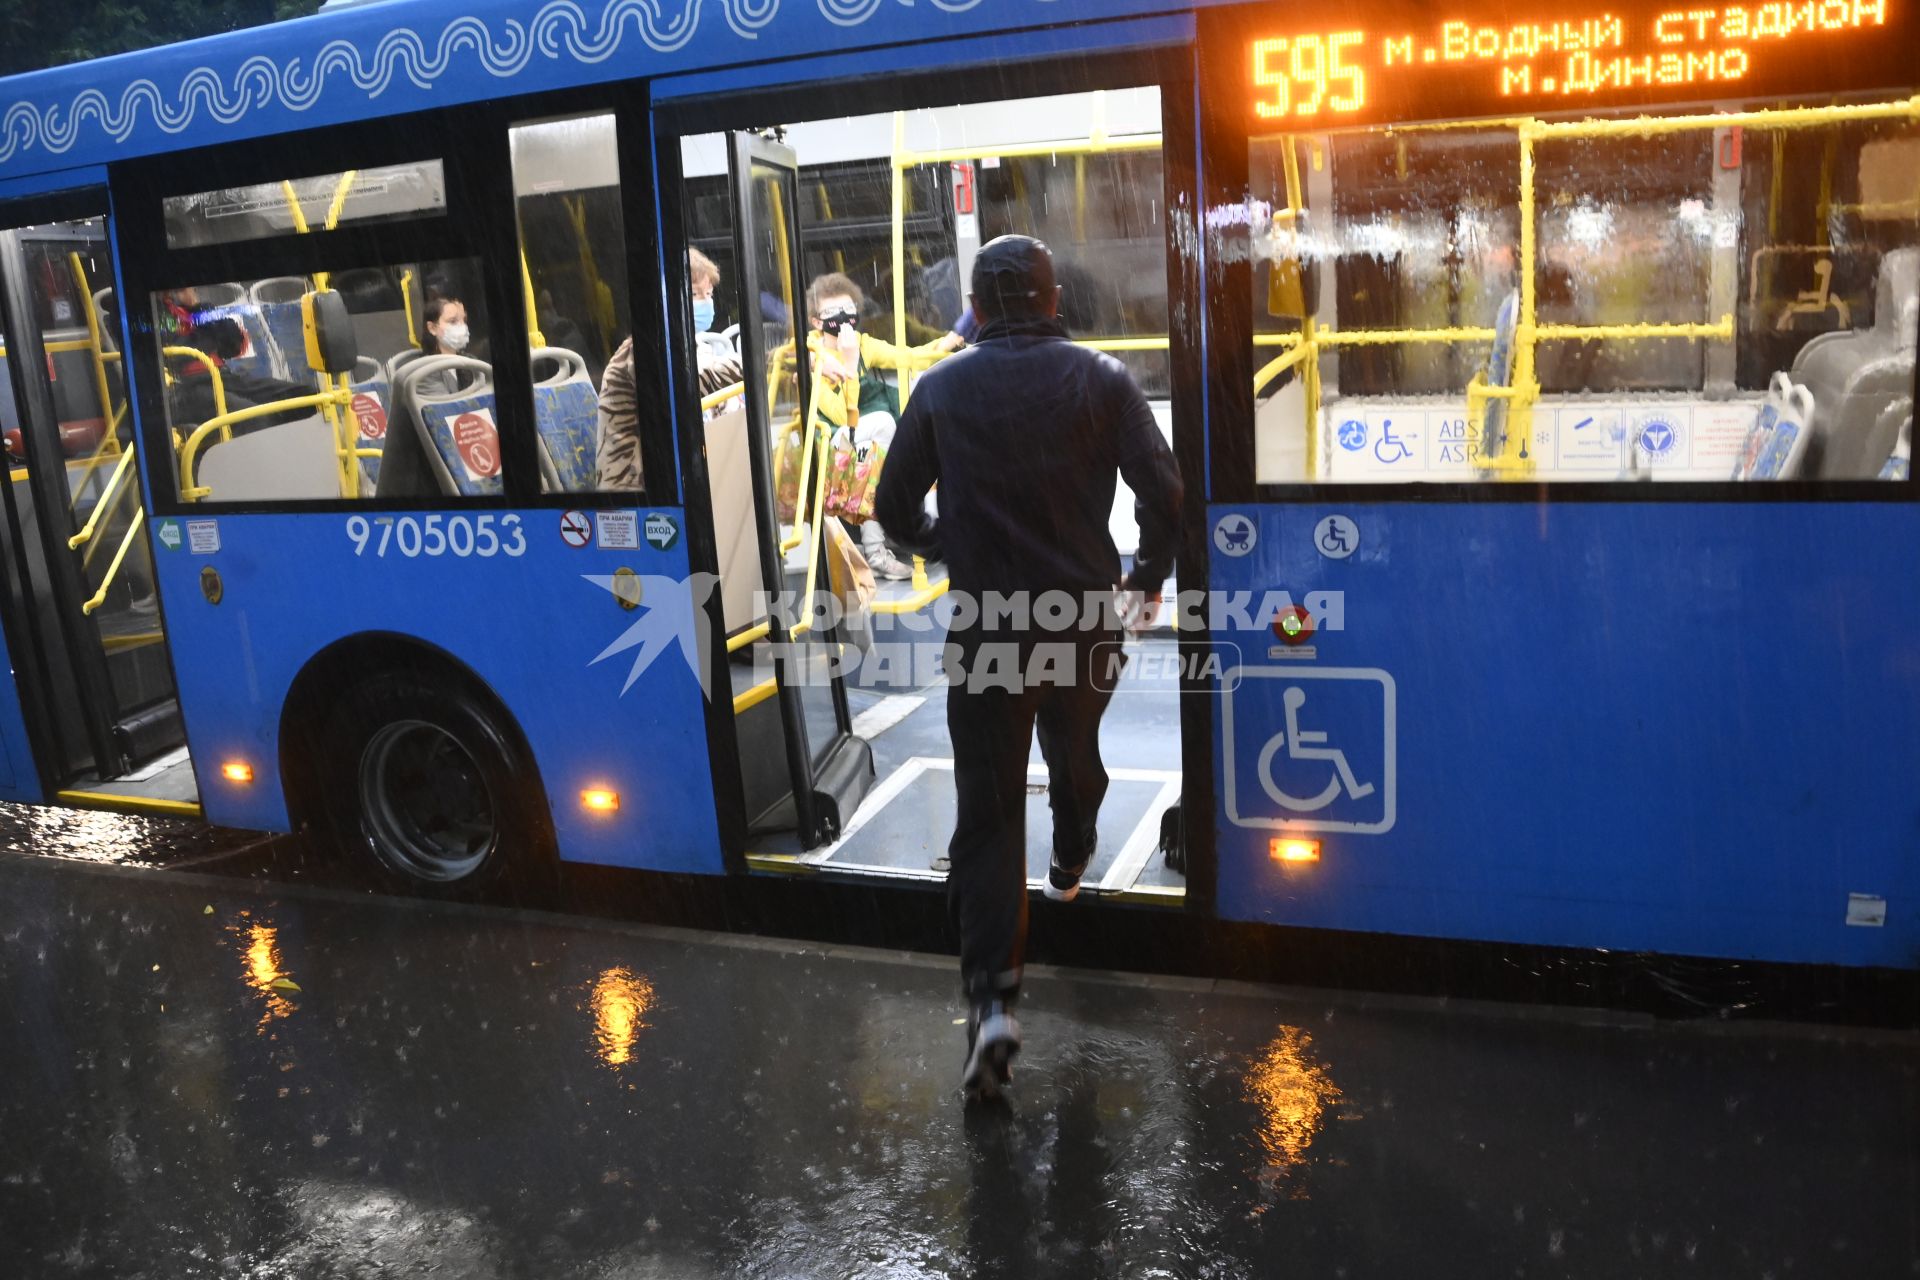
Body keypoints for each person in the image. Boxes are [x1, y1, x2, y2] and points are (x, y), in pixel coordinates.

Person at [873, 236, 1182, 1100]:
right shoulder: (1104, 379)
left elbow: (892, 506)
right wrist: (1144, 577)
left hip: (987, 631)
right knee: (1075, 754)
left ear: (977, 305)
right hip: (1082, 622)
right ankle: (1077, 852)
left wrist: (946, 545)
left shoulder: (940, 388)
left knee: (990, 815)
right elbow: (1166, 496)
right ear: (1052, 299)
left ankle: (995, 1006)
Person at [805, 272, 962, 580]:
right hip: (831, 447)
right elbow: (840, 417)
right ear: (816, 322)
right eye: (834, 314)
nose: (844, 318)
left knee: (912, 441)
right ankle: (878, 548)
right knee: (883, 425)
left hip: (869, 445)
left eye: (849, 310)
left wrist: (943, 345)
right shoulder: (812, 357)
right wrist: (849, 365)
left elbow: (906, 357)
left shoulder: (864, 345)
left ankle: (932, 534)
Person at [597, 249, 741, 492]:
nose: (705, 302)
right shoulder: (642, 348)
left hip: (671, 473)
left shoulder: (692, 344)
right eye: (695, 294)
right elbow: (689, 384)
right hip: (633, 483)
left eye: (709, 294)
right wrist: (759, 364)